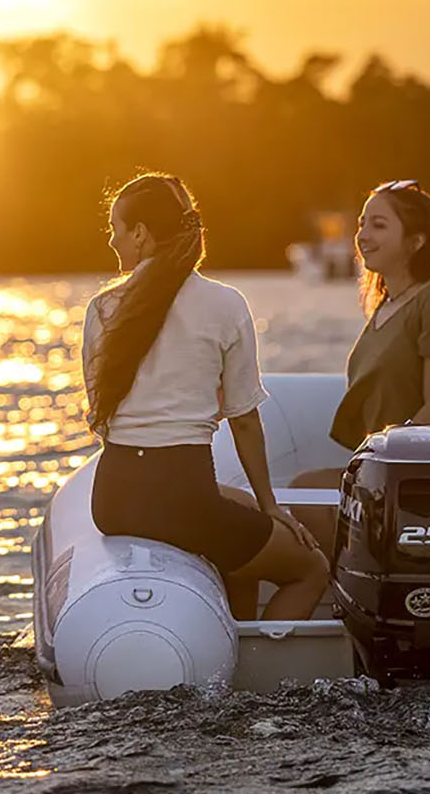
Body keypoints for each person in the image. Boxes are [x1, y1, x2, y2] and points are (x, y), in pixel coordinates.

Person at [83, 173, 329, 620]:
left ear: (140, 234)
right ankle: (254, 680)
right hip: (182, 502)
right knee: (311, 568)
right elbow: (245, 420)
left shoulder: (101, 308)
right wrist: (274, 508)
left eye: (116, 228)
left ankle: (232, 629)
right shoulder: (225, 304)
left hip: (112, 498)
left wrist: (259, 511)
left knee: (241, 514)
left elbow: (102, 420)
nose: (112, 240)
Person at [289, 181, 430, 542]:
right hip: (381, 466)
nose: (362, 235)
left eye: (379, 225)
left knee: (306, 493)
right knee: (303, 493)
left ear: (416, 242)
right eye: (361, 224)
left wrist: (378, 464)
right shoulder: (384, 307)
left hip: (421, 471)